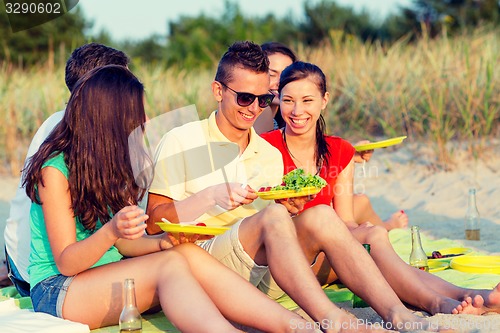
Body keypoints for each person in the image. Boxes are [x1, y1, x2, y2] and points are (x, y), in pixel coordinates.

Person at [146, 41, 440, 332]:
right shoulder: (181, 140)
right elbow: (153, 224)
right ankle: (332, 318)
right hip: (206, 262)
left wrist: (289, 209)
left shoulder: (268, 154)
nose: (254, 110)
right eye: (245, 98)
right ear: (218, 91)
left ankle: (397, 313)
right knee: (274, 217)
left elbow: (270, 226)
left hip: (264, 274)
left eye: (262, 100)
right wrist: (210, 196)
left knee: (321, 214)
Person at [22, 65, 316, 332]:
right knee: (169, 266)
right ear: (108, 118)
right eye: (135, 111)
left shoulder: (113, 162)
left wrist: (162, 242)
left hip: (104, 272)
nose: (146, 119)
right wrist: (112, 229)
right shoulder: (55, 171)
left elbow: (124, 243)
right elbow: (67, 263)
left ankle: (294, 326)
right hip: (58, 288)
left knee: (183, 254)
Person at [261, 60, 500, 316]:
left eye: (307, 100)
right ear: (279, 100)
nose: (297, 111)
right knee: (373, 244)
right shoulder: (264, 147)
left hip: (326, 253)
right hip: (286, 260)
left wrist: (364, 230)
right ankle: (438, 302)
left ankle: (468, 296)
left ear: (324, 100)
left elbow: (345, 221)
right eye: (288, 101)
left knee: (373, 236)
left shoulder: (340, 150)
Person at [3, 43, 130, 297]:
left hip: (70, 254)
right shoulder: (62, 136)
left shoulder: (91, 129)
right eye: (120, 84)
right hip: (41, 269)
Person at [254, 42, 407, 231]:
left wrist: (349, 154)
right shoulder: (260, 114)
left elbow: (309, 145)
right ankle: (386, 228)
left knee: (359, 202)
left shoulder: (285, 112)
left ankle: (383, 228)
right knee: (355, 205)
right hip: (281, 218)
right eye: (272, 74)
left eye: (286, 72)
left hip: (305, 208)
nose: (280, 81)